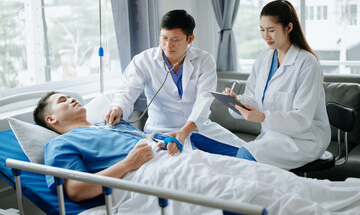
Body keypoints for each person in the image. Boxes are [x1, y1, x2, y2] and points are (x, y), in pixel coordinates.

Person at [33, 92, 360, 215]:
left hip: (179, 158)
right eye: (62, 100)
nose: (73, 100)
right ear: (51, 119)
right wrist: (129, 162)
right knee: (249, 193)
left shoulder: (109, 126)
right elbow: (75, 190)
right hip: (147, 175)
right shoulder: (60, 145)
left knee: (275, 178)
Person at [104, 9, 244, 156]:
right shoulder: (143, 60)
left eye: (175, 40)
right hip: (161, 131)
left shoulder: (204, 60)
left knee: (247, 154)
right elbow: (127, 90)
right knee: (193, 164)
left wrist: (185, 131)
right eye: (164, 38)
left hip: (198, 129)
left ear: (190, 39)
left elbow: (204, 100)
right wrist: (117, 107)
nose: (167, 45)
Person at [223, 0, 331, 170]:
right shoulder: (263, 58)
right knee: (236, 157)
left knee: (245, 157)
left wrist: (264, 117)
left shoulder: (307, 63)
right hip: (273, 136)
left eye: (271, 30)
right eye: (262, 30)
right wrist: (237, 101)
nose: (266, 36)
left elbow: (302, 119)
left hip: (304, 139)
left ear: (288, 28)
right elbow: (253, 97)